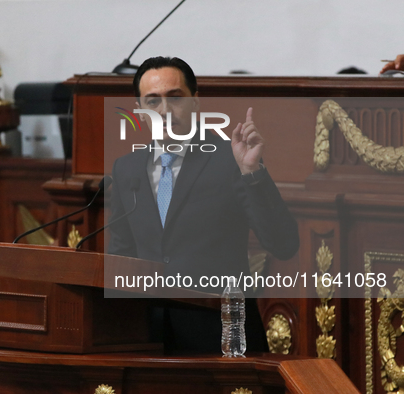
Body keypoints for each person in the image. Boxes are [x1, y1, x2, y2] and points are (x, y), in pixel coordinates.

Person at [107, 56, 299, 353]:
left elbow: (284, 244)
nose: (166, 110)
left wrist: (252, 172)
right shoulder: (126, 169)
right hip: (147, 341)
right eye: (153, 101)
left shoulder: (231, 159)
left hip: (220, 338)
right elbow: (121, 256)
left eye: (175, 98)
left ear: (195, 103)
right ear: (140, 111)